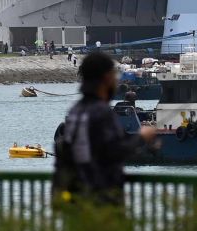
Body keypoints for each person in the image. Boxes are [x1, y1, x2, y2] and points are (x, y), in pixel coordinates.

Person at [53, 51, 155, 205]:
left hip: (75, 198)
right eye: (115, 76)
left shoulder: (75, 111)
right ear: (106, 78)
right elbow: (114, 151)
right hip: (101, 200)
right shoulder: (102, 112)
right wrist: (142, 137)